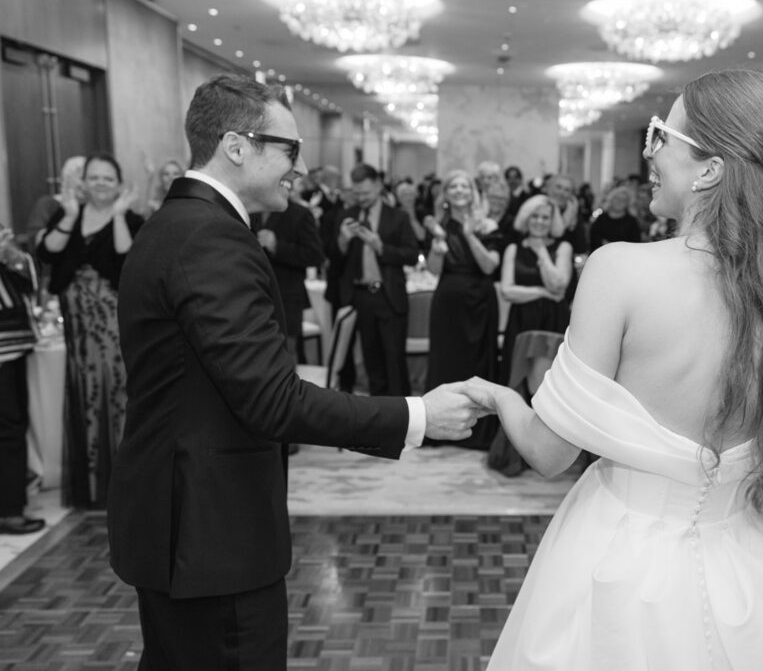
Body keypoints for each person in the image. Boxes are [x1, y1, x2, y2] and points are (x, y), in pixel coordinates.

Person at [463, 69, 763, 669]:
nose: (649, 150)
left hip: (619, 561)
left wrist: (500, 396)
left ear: (709, 170)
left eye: (662, 134)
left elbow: (551, 454)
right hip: (746, 555)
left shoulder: (618, 269)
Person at [106, 73, 480, 671]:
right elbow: (273, 401)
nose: (299, 168)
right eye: (288, 150)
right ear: (236, 146)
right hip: (210, 534)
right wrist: (419, 414)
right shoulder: (212, 240)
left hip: (182, 524)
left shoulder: (177, 225)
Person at [36, 152, 144, 509]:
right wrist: (67, 216)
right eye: (93, 177)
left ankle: (124, 483)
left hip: (113, 327)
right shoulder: (68, 214)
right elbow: (47, 252)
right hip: (78, 328)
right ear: (84, 182)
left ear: (118, 184)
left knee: (118, 394)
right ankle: (92, 486)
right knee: (85, 393)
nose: (100, 184)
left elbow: (127, 260)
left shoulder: (130, 218)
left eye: (107, 178)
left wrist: (116, 216)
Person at [488, 195, 572, 476]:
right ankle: (514, 451)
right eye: (535, 216)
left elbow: (559, 284)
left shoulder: (563, 247)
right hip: (521, 322)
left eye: (545, 217)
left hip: (551, 323)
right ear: (526, 218)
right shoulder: (513, 247)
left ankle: (546, 452)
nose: (539, 222)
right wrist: (540, 292)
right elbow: (508, 290)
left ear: (553, 221)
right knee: (518, 384)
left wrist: (541, 254)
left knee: (547, 387)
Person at [423, 169, 502, 449]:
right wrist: (436, 246)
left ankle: (479, 432)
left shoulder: (487, 225)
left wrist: (470, 236)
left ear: (473, 192)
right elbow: (434, 270)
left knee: (479, 362)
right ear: (445, 194)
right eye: (452, 186)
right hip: (447, 300)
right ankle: (441, 428)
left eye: (464, 186)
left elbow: (490, 266)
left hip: (480, 299)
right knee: (447, 359)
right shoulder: (438, 225)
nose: (458, 190)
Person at [327, 163, 419, 396]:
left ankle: (406, 417)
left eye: (366, 193)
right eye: (357, 194)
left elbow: (410, 255)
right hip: (360, 296)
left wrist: (381, 248)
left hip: (389, 296)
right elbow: (333, 261)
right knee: (371, 361)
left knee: (394, 361)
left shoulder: (397, 217)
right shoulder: (347, 215)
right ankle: (380, 416)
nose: (362, 198)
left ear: (378, 186)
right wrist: (343, 242)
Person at [0, 226, 45, 535]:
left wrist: (11, 258)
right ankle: (10, 511)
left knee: (14, 427)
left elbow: (28, 287)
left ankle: (11, 504)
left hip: (14, 348)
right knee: (9, 429)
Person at [252, 181, 324, 360]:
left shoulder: (299, 214)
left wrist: (277, 246)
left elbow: (315, 256)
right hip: (255, 299)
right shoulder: (251, 212)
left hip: (287, 301)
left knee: (286, 358)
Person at [589, 185, 642, 251]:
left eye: (623, 200)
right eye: (617, 198)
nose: (619, 202)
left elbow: (635, 243)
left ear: (627, 203)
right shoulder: (601, 218)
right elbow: (594, 237)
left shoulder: (632, 221)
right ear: (611, 199)